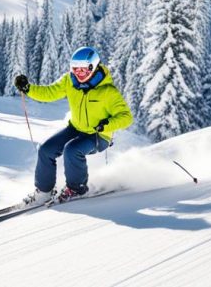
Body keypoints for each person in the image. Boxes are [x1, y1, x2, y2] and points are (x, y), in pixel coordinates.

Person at [14, 46, 133, 205]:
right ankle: (44, 191)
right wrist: (28, 89)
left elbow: (127, 117)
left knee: (72, 150)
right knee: (45, 149)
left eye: (83, 71)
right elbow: (49, 93)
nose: (79, 74)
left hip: (98, 135)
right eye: (75, 70)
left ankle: (77, 188)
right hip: (75, 128)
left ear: (93, 67)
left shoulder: (108, 91)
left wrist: (107, 125)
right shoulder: (69, 81)